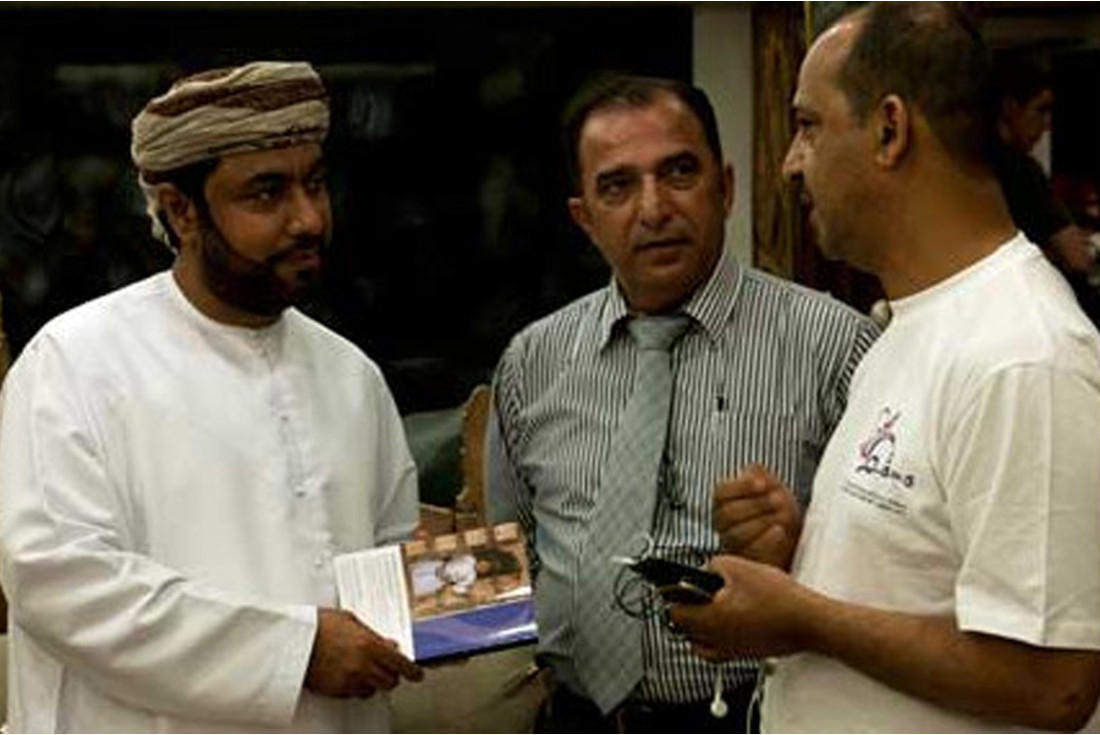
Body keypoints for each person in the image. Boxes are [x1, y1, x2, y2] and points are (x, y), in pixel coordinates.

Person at [670, 4, 1100, 732]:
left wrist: (802, 615)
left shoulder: (1024, 355)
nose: (789, 162)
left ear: (890, 130)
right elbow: (932, 576)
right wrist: (807, 552)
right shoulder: (911, 324)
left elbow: (1054, 680)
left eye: (808, 125)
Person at [0, 61, 424, 733]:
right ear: (180, 210)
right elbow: (61, 583)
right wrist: (295, 649)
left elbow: (392, 573)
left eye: (314, 183)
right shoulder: (74, 362)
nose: (308, 218)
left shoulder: (351, 376)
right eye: (266, 193)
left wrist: (463, 597)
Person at [485, 73, 878, 732]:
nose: (653, 208)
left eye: (679, 173)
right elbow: (512, 556)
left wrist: (797, 545)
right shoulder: (533, 360)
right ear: (584, 217)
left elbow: (894, 573)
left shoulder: (836, 348)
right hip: (575, 717)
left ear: (725, 189)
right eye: (617, 185)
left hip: (760, 714)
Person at [993, 53, 1100, 325]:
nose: (1047, 123)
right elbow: (1077, 257)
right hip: (1044, 313)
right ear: (1009, 108)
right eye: (1040, 110)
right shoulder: (1021, 171)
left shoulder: (969, 166)